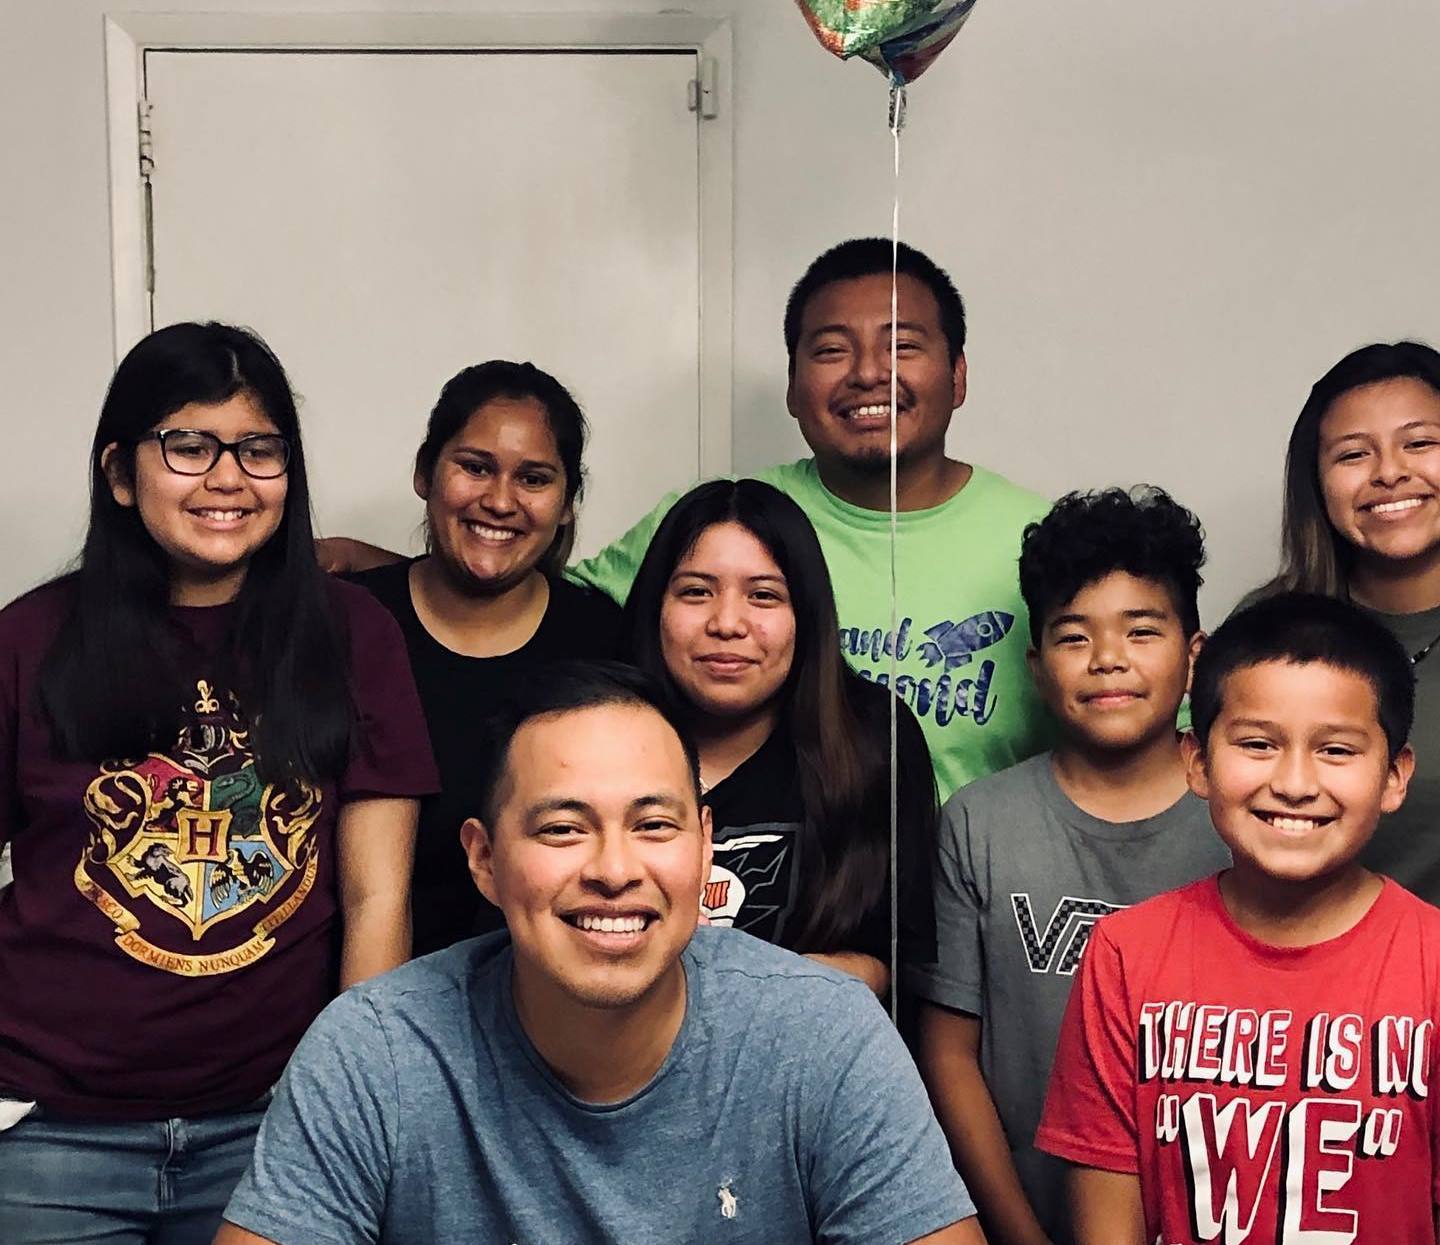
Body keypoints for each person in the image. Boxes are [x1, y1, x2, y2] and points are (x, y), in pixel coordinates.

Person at [214, 662, 984, 1245]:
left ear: (705, 845)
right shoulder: (375, 1052)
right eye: (561, 829)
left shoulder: (823, 1036)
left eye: (654, 825)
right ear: (484, 859)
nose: (615, 871)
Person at [322, 238, 1053, 801]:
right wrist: (385, 571)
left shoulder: (1037, 541)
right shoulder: (723, 519)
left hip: (977, 924)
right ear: (795, 386)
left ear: (957, 376)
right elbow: (526, 595)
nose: (866, 372)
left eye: (901, 345)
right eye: (831, 350)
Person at [0, 323, 438, 1245]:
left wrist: (344, 1108)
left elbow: (376, 894)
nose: (228, 478)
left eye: (258, 448)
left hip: (272, 1125)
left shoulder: (354, 634)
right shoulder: (29, 639)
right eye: (188, 446)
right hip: (49, 1128)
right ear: (121, 472)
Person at [1036, 593, 1440, 1244]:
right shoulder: (1124, 954)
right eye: (1257, 743)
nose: (1295, 782)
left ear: (1394, 775)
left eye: (1336, 750)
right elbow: (1107, 1220)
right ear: (1197, 760)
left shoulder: (1432, 964)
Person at [914, 487, 1230, 1245]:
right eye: (1074, 636)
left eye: (1141, 630)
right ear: (1036, 663)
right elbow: (949, 1053)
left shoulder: (1243, 822)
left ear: (1194, 655)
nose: (1108, 659)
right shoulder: (977, 823)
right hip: (1027, 1214)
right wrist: (1018, 1234)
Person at [621, 478, 938, 997]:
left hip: (807, 1054)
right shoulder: (590, 738)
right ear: (655, 607)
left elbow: (905, 966)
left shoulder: (873, 738)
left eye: (764, 595)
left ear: (805, 616)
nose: (727, 623)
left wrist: (753, 991)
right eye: (696, 592)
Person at [347, 360, 621, 954]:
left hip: (544, 999)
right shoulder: (345, 622)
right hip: (346, 995)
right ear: (425, 473)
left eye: (534, 478)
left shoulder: (607, 647)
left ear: (568, 501)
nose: (500, 500)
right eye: (475, 468)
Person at [1253, 340, 1440, 904]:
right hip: (1307, 980)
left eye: (1420, 443)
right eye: (1354, 455)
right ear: (1317, 482)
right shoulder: (1268, 631)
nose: (1389, 473)